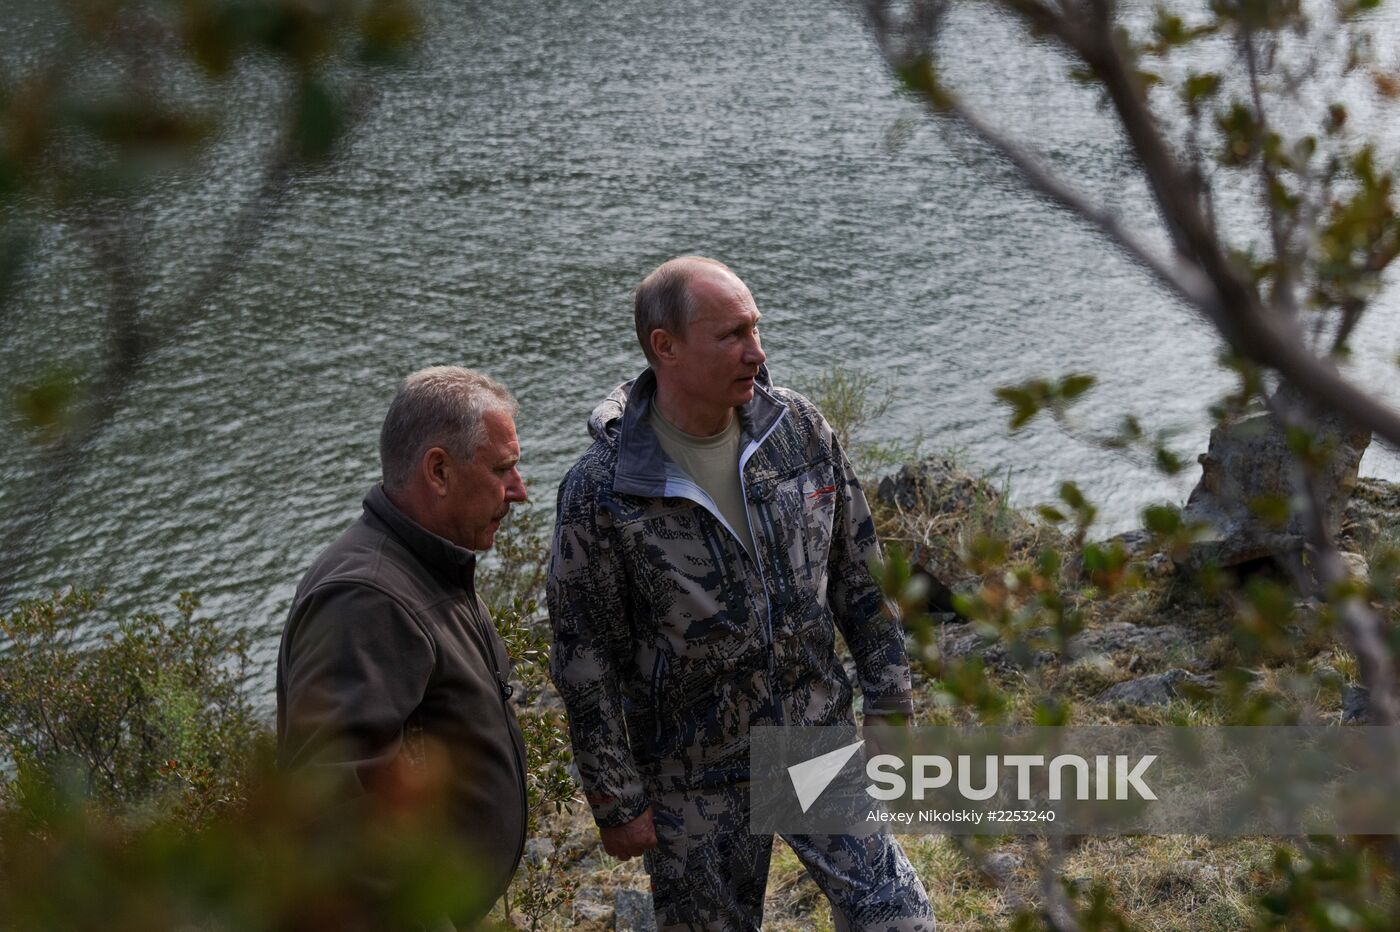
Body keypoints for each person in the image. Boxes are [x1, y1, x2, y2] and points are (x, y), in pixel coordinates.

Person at [548, 257, 934, 930]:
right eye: (731, 335)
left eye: (756, 328)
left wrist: (891, 698)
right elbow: (585, 657)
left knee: (896, 916)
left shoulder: (800, 433)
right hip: (690, 777)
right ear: (664, 346)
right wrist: (616, 798)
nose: (757, 351)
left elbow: (862, 576)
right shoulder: (602, 489)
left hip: (812, 743)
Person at [277, 366, 529, 924]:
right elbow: (330, 808)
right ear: (438, 470)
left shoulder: (428, 567)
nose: (520, 490)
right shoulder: (367, 598)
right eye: (503, 469)